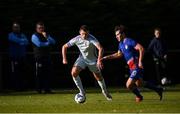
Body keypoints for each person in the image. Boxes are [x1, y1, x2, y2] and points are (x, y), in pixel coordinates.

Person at [101, 25, 163, 102]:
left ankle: (139, 96)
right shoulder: (120, 44)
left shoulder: (129, 41)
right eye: (116, 35)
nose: (116, 36)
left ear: (123, 34)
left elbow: (141, 48)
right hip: (131, 68)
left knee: (128, 85)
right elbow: (118, 54)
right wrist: (106, 57)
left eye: (118, 34)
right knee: (139, 84)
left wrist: (140, 61)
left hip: (136, 66)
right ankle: (158, 89)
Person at [62, 25, 112, 101]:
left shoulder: (92, 39)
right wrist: (64, 59)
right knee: (74, 72)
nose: (84, 35)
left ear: (88, 32)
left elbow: (101, 48)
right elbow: (64, 46)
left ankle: (105, 92)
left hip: (93, 60)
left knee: (98, 77)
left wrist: (99, 60)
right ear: (80, 33)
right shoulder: (77, 39)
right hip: (82, 58)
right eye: (82, 34)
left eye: (86, 34)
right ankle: (82, 92)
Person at [31, 22, 55, 94]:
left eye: (42, 28)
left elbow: (53, 42)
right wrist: (48, 42)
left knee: (47, 73)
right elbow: (39, 44)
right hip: (39, 58)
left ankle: (47, 89)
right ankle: (39, 89)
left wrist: (47, 37)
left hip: (47, 57)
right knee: (39, 74)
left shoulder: (46, 35)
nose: (41, 29)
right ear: (36, 29)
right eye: (39, 28)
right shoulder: (34, 36)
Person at [8, 22, 29, 91]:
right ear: (13, 28)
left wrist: (20, 42)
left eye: (18, 27)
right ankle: (15, 88)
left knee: (23, 73)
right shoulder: (10, 35)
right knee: (15, 72)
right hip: (14, 57)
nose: (17, 28)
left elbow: (27, 42)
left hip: (22, 57)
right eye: (15, 27)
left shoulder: (22, 34)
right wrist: (21, 41)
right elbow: (16, 40)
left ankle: (22, 87)